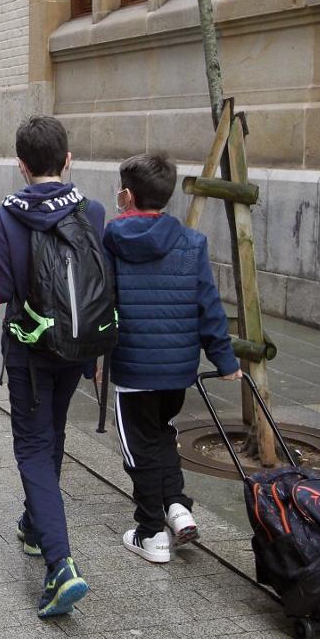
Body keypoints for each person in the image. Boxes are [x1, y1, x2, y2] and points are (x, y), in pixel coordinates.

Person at [103, 153, 241, 564]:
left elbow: (103, 303)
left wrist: (94, 354)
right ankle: (177, 507)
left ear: (126, 195)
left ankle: (150, 534)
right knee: (162, 432)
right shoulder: (191, 242)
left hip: (133, 367)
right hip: (178, 369)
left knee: (138, 449)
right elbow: (208, 305)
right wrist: (226, 359)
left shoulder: (111, 240)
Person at [0, 115, 103, 619]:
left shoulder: (9, 216)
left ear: (21, 166)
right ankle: (36, 524)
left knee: (33, 448)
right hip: (78, 348)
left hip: (30, 349)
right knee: (52, 434)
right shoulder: (93, 210)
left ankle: (60, 566)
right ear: (68, 159)